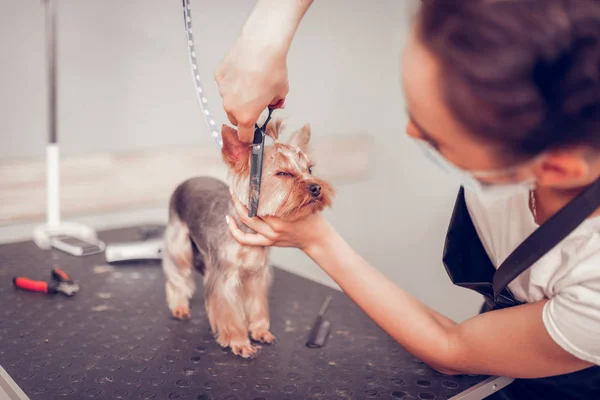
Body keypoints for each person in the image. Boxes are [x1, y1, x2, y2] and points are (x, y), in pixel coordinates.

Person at [215, 0, 600, 398]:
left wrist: (317, 239)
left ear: (555, 168)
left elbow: (453, 348)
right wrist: (267, 33)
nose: (410, 132)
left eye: (437, 136)